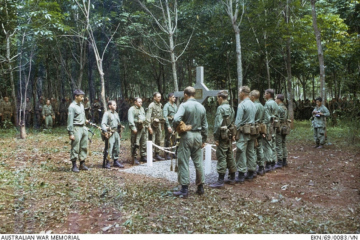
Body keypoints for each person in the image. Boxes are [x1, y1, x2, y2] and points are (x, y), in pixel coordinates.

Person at [173, 86, 208, 198]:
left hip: (187, 136)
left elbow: (176, 119)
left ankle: (184, 189)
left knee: (183, 161)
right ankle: (200, 187)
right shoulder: (201, 107)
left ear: (186, 95)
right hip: (198, 136)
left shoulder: (184, 105)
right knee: (198, 162)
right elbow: (205, 126)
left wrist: (179, 127)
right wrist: (204, 139)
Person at [209, 90, 237, 188]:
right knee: (230, 155)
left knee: (221, 156)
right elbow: (233, 122)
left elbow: (217, 125)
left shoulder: (220, 108)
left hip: (222, 136)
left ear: (220, 98)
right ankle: (232, 178)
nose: (217, 100)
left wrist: (216, 138)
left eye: (217, 98)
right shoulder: (231, 108)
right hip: (229, 136)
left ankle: (220, 181)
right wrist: (233, 134)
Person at [234, 86, 257, 183]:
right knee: (250, 151)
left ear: (243, 94)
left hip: (243, 132)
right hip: (252, 131)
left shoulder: (242, 105)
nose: (238, 94)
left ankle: (241, 174)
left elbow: (238, 120)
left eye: (239, 93)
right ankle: (251, 172)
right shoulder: (253, 104)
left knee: (240, 151)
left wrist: (235, 132)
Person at [67, 89, 90, 173]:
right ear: (75, 96)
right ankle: (74, 165)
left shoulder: (81, 105)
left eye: (83, 96)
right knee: (75, 147)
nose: (82, 98)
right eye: (81, 97)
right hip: (76, 128)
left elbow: (82, 115)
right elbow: (70, 121)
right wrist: (71, 133)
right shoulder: (72, 106)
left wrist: (85, 120)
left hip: (83, 127)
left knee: (84, 146)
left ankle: (82, 163)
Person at [250, 90, 268, 176]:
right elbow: (265, 118)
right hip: (260, 129)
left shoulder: (254, 106)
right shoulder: (261, 105)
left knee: (253, 149)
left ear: (253, 97)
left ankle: (252, 169)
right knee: (260, 148)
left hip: (254, 129)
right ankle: (261, 167)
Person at [101, 100, 124, 168]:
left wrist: (120, 132)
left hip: (116, 132)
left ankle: (115, 161)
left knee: (117, 147)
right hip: (110, 133)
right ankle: (107, 162)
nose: (115, 106)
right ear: (109, 106)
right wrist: (105, 132)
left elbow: (118, 123)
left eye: (115, 105)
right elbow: (103, 124)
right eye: (114, 105)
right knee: (109, 147)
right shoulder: (107, 114)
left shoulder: (116, 114)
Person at [128, 97, 148, 165]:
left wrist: (146, 125)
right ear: (135, 102)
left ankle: (143, 155)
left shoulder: (142, 108)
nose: (140, 103)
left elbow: (144, 117)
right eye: (139, 102)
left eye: (141, 102)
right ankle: (134, 157)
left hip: (142, 127)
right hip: (136, 127)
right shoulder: (132, 109)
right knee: (135, 143)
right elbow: (130, 119)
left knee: (143, 142)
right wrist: (133, 128)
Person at [263, 89, 279, 172]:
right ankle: (273, 162)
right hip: (274, 126)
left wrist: (264, 129)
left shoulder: (268, 104)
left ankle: (268, 164)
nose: (264, 95)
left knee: (268, 144)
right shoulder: (275, 103)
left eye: (265, 93)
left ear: (269, 94)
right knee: (272, 144)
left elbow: (266, 118)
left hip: (269, 126)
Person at [146, 92, 165, 161]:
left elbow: (161, 116)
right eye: (158, 97)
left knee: (158, 139)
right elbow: (148, 117)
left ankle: (157, 154)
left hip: (159, 125)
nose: (160, 98)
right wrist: (149, 127)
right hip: (152, 125)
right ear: (154, 97)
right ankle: (150, 155)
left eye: (160, 97)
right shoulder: (151, 105)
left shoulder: (160, 105)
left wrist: (162, 124)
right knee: (152, 140)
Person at [274, 94, 288, 168]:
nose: (275, 100)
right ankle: (284, 160)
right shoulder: (285, 107)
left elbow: (277, 118)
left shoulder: (278, 108)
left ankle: (279, 161)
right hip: (285, 127)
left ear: (279, 100)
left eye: (275, 99)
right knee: (283, 144)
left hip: (279, 127)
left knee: (278, 144)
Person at [163, 93, 178, 160]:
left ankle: (173, 152)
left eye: (174, 97)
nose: (174, 98)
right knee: (168, 139)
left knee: (174, 139)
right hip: (169, 125)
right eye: (173, 97)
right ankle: (166, 153)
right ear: (169, 98)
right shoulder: (166, 106)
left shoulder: (175, 105)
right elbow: (165, 116)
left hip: (174, 125)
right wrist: (168, 126)